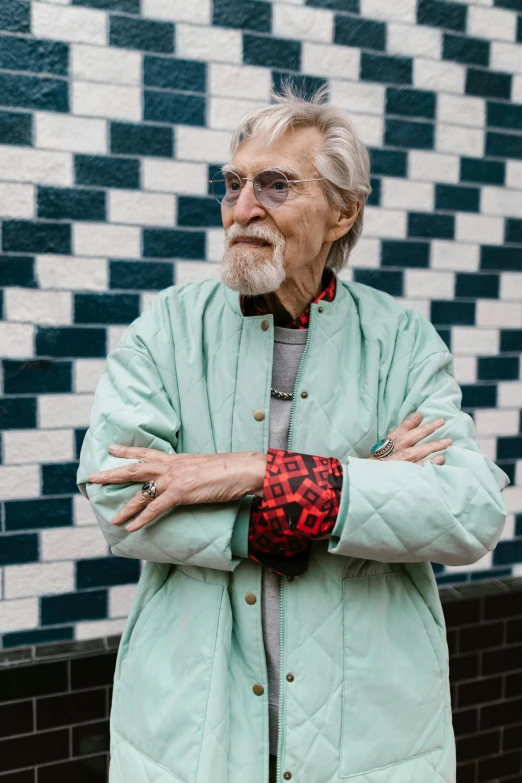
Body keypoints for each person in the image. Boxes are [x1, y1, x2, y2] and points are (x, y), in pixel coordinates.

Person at [77, 81, 510, 783]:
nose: (242, 209)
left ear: (343, 213)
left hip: (373, 737)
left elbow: (469, 509)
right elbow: (116, 497)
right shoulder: (167, 329)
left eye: (276, 186)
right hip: (193, 731)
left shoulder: (400, 340)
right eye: (233, 184)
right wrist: (357, 480)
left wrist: (251, 473)